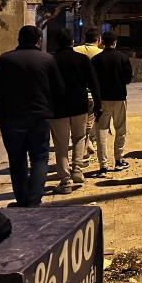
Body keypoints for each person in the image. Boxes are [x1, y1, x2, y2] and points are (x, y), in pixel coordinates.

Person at [0, 25, 65, 207]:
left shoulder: (6, 59)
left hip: (11, 118)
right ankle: (34, 199)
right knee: (39, 157)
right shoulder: (47, 59)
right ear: (39, 40)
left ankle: (22, 199)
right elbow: (59, 89)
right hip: (39, 116)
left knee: (16, 159)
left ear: (19, 39)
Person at [50, 29, 101, 194]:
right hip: (79, 105)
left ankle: (65, 181)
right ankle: (77, 169)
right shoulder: (82, 59)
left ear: (56, 43)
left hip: (57, 108)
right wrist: (98, 104)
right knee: (80, 137)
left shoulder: (51, 61)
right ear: (72, 41)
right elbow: (93, 83)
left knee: (61, 144)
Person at [91, 31, 133, 178]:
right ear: (115, 42)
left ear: (102, 42)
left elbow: (93, 82)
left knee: (101, 132)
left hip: (102, 99)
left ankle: (103, 165)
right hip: (119, 97)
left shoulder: (96, 59)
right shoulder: (123, 58)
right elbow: (128, 78)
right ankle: (118, 159)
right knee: (120, 129)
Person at [73, 28, 102, 162]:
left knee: (79, 123)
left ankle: (86, 143)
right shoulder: (100, 53)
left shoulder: (75, 51)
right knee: (92, 120)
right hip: (94, 92)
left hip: (76, 92)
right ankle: (87, 144)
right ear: (98, 40)